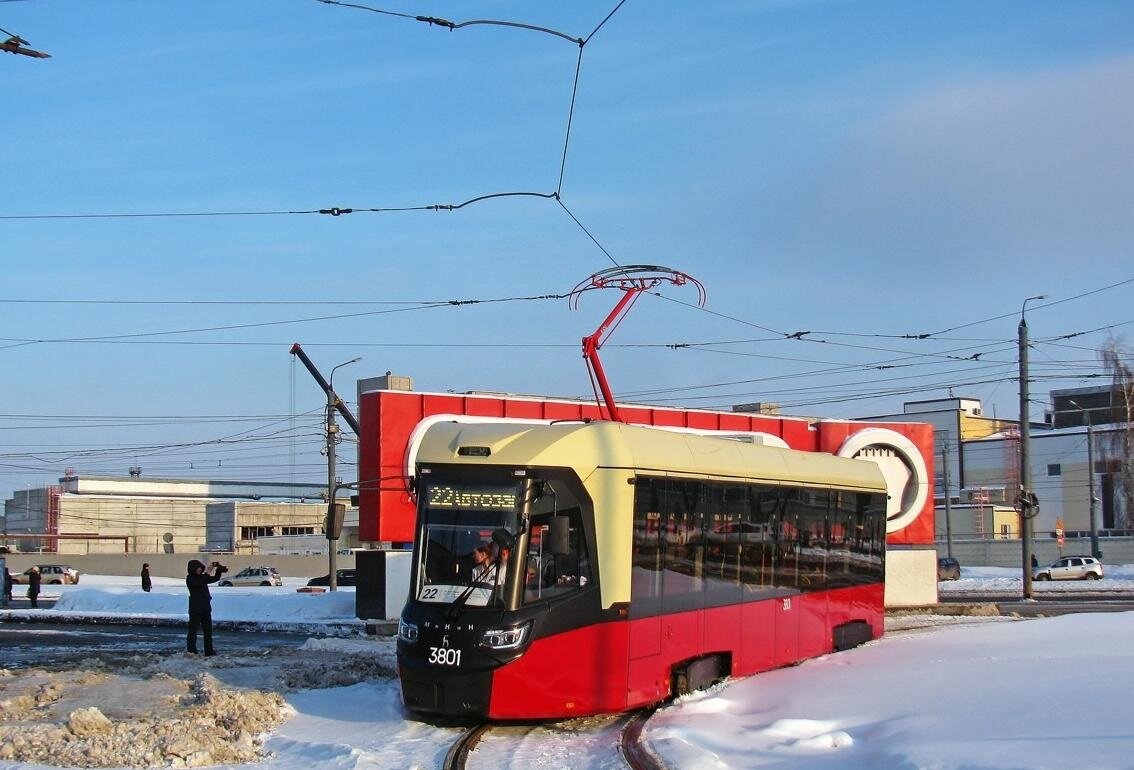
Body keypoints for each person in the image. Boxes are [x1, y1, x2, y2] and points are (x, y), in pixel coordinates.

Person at [185, 559, 224, 656]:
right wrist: (208, 572)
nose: (199, 570)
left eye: (200, 568)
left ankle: (209, 651)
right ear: (192, 569)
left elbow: (213, 579)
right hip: (195, 609)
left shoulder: (202, 577)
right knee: (193, 631)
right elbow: (199, 583)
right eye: (197, 569)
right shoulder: (190, 579)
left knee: (208, 632)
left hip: (206, 608)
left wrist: (219, 571)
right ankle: (191, 651)